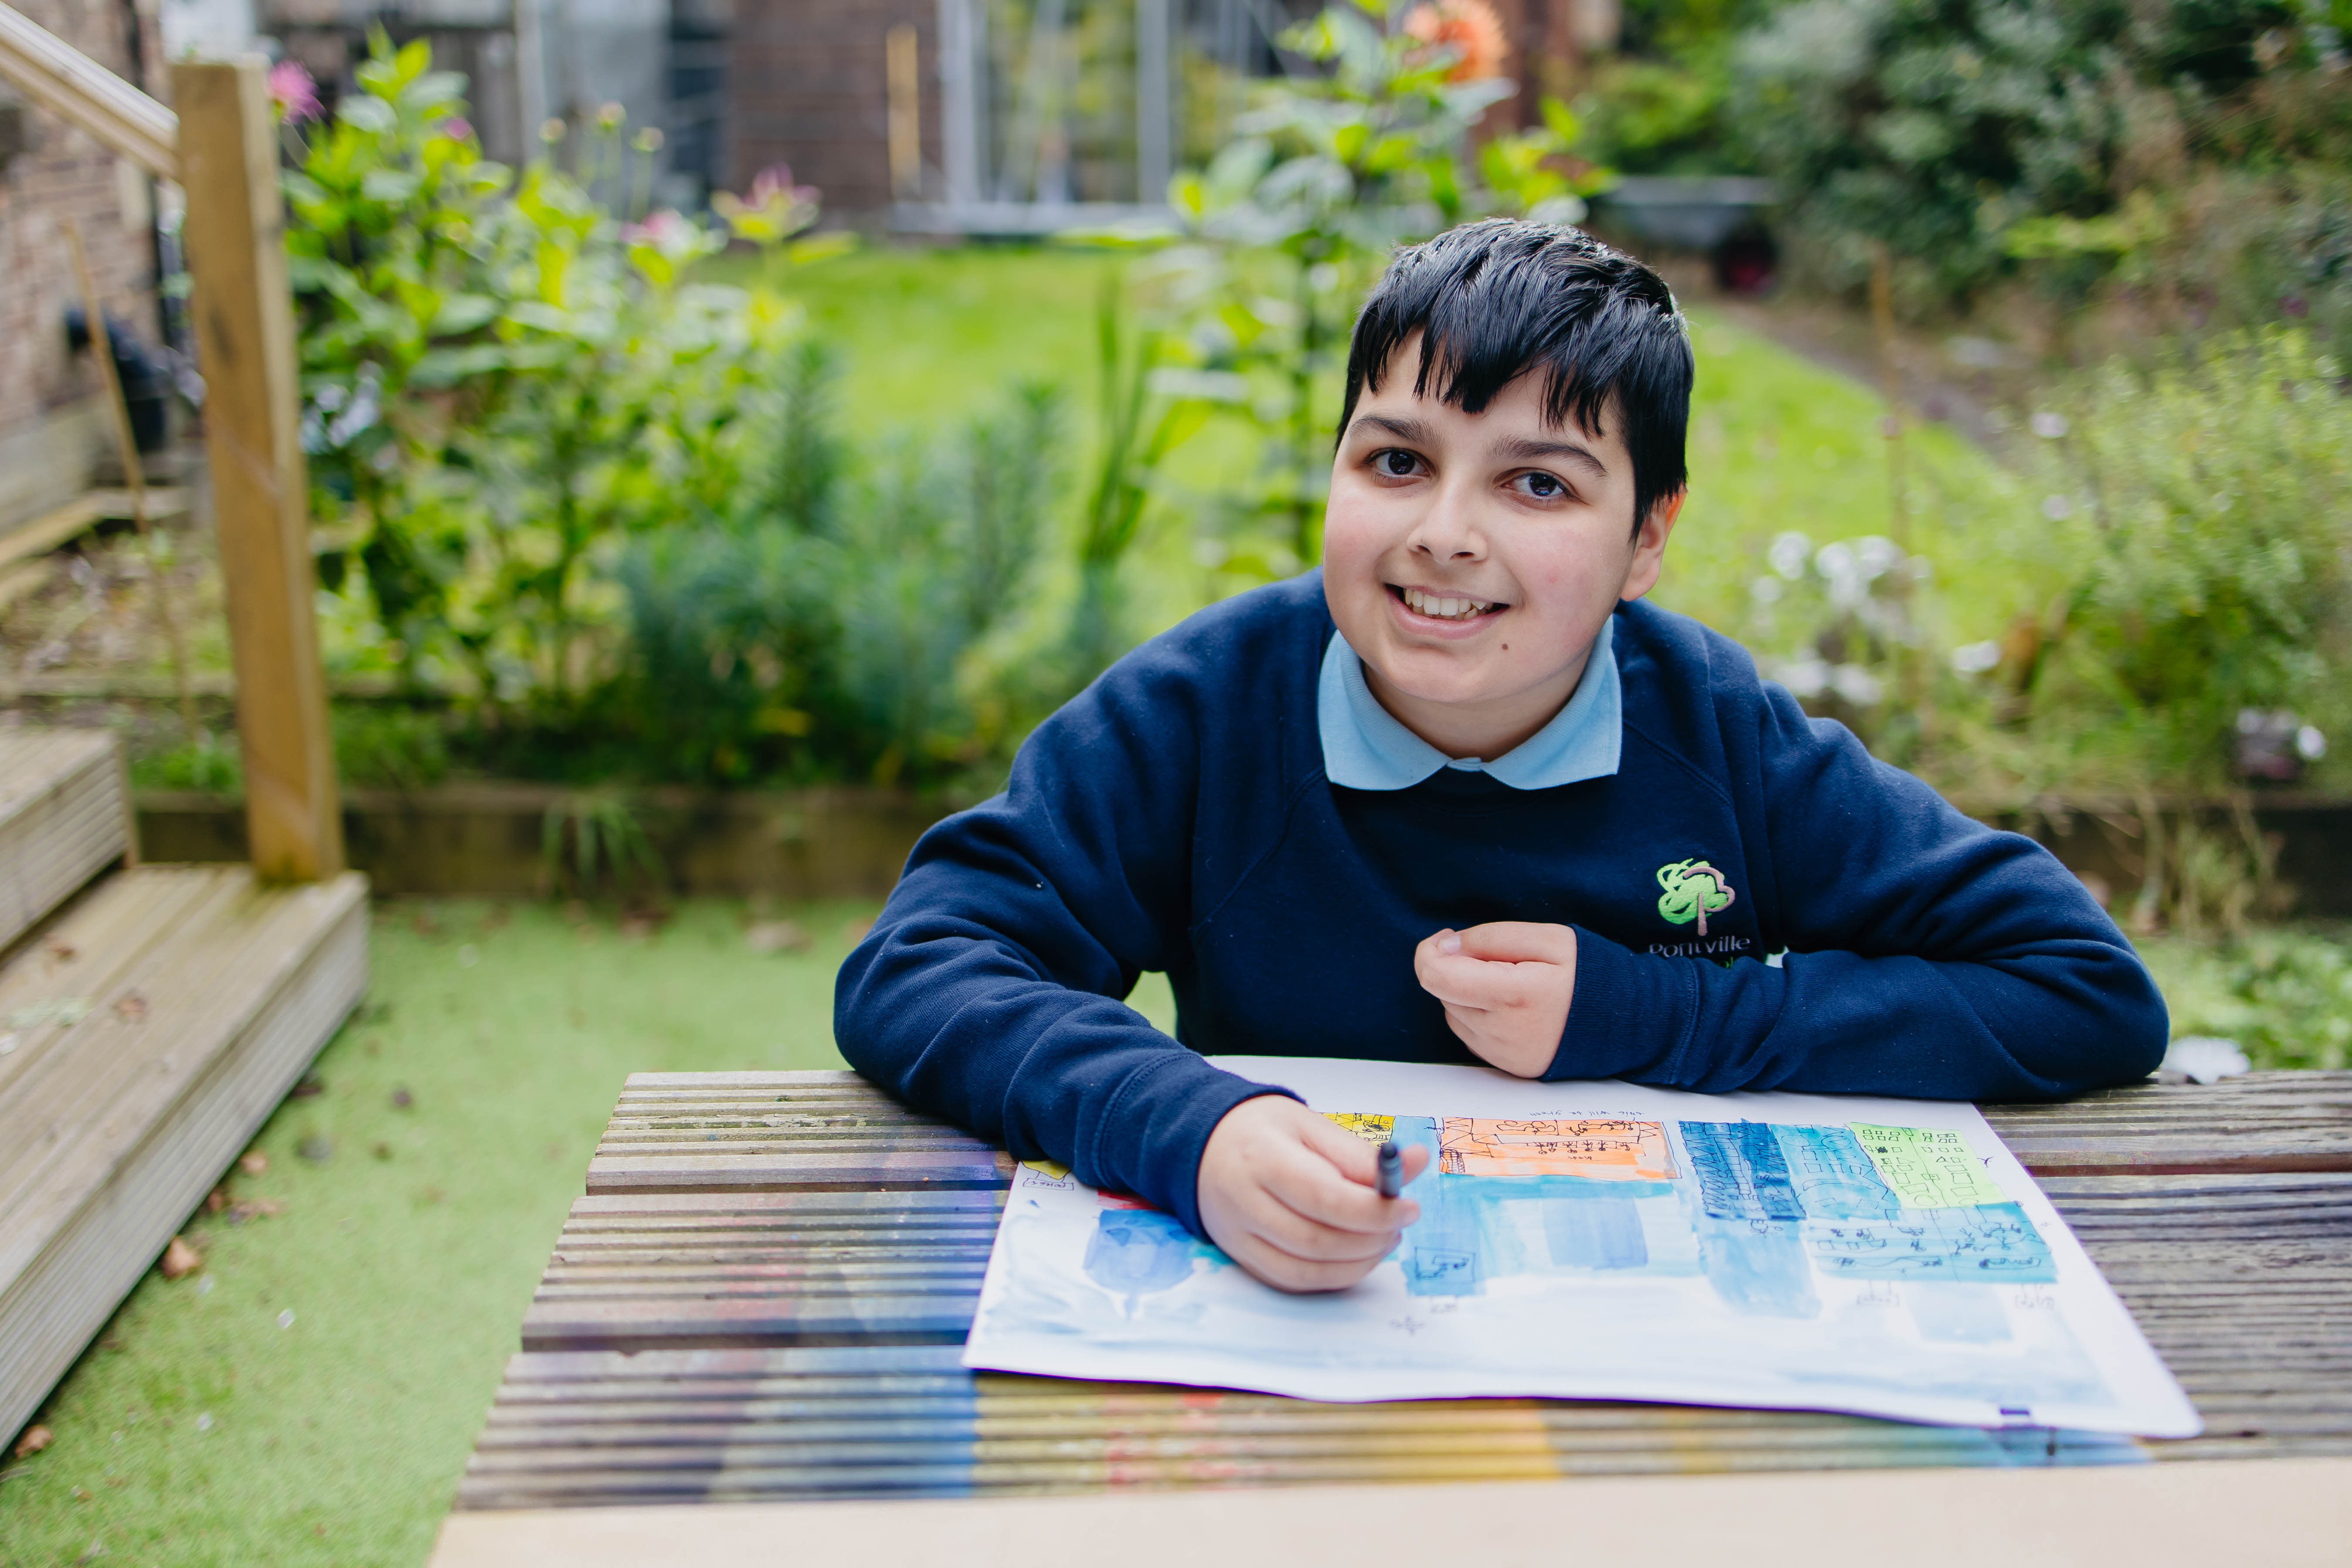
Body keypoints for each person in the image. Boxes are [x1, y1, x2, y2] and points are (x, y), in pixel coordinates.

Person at [834, 218, 2167, 1293]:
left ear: (1648, 538)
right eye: (1399, 461)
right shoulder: (1206, 710)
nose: (1446, 534)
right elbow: (921, 962)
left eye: (1540, 484)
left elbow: (2082, 988)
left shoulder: (1720, 736)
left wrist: (1658, 1014)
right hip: (1301, 1358)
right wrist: (1194, 1127)